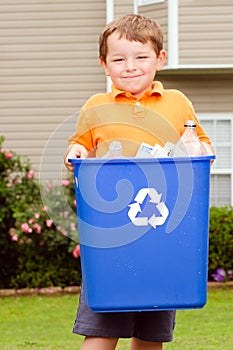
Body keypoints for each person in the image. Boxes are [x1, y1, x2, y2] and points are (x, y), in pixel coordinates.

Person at [64, 14, 214, 350]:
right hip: (112, 237)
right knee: (102, 329)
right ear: (105, 64)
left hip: (163, 238)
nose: (130, 67)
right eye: (118, 59)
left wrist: (201, 148)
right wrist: (75, 149)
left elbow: (201, 147)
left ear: (159, 59)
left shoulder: (177, 103)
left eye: (141, 57)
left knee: (150, 334)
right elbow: (79, 148)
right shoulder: (96, 106)